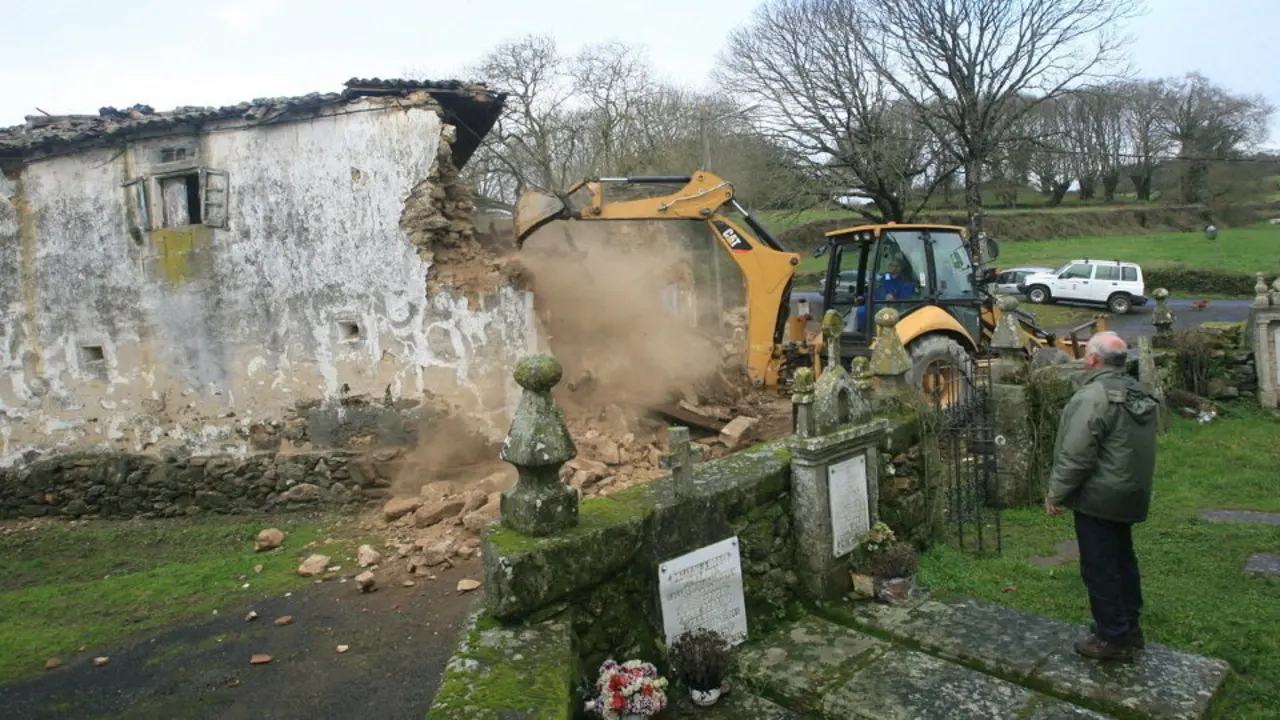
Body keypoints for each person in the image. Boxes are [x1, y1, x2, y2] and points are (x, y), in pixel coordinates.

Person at [1045, 331, 1159, 663]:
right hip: (1131, 490)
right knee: (1123, 560)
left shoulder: (1093, 397)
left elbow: (1077, 454)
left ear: (1093, 359)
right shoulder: (1138, 389)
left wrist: (1057, 493)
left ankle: (1113, 638)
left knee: (1100, 566)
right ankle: (1129, 627)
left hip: (1101, 494)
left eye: (1086, 354)